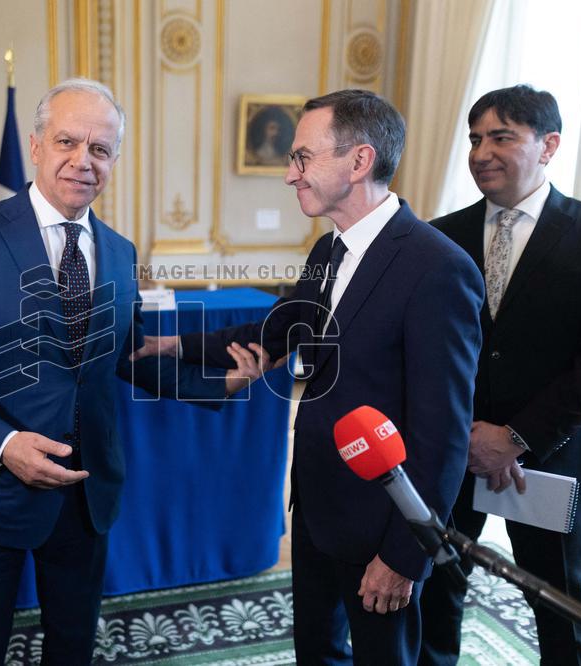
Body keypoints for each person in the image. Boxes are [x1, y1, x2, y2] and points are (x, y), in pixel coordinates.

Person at [0, 78, 272, 665]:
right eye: (67, 141)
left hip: (85, 494)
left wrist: (215, 384)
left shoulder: (120, 251)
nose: (83, 160)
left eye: (100, 149)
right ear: (36, 146)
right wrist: (5, 445)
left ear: (114, 160)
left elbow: (124, 356)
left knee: (73, 647)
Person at [134, 89, 484, 664]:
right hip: (318, 508)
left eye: (302, 157)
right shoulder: (327, 251)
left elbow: (443, 435)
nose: (290, 174)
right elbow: (274, 332)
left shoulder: (439, 269)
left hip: (381, 525)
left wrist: (404, 555)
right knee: (316, 653)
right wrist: (170, 343)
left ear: (360, 161)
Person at [418, 85, 581, 666]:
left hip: (551, 454)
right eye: (474, 139)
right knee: (435, 587)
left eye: (501, 137)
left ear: (548, 146)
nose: (481, 153)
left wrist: (515, 437)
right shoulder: (439, 236)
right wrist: (467, 433)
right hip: (453, 448)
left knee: (558, 601)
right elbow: (428, 349)